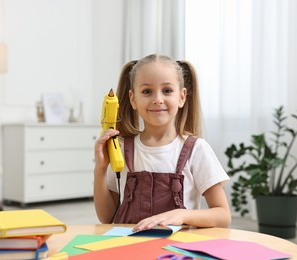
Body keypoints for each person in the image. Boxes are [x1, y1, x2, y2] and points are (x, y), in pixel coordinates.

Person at [94, 54, 231, 231]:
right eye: (146, 91)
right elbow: (106, 217)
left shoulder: (196, 149)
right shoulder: (121, 148)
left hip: (176, 251)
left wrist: (182, 215)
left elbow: (223, 215)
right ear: (133, 99)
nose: (157, 99)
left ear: (182, 97)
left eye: (167, 90)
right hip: (130, 249)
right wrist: (100, 169)